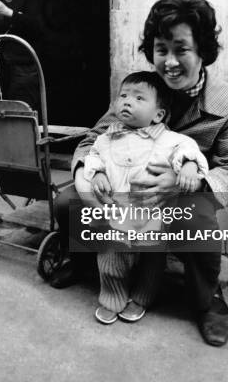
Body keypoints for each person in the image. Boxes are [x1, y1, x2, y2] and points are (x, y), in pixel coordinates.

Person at [52, 0, 228, 347]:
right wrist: (92, 171)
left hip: (182, 198)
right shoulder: (140, 89)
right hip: (124, 192)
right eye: (162, 49)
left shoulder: (226, 103)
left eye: (182, 49)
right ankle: (88, 260)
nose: (171, 62)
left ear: (202, 51)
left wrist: (189, 182)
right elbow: (93, 139)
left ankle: (207, 298)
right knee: (67, 202)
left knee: (195, 218)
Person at [82, 71, 209, 324]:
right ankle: (112, 297)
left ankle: (143, 296)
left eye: (139, 98)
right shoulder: (106, 139)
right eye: (123, 96)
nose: (127, 102)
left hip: (153, 215)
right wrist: (96, 174)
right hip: (116, 214)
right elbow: (93, 155)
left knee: (152, 260)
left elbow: (188, 151)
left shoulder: (171, 139)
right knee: (111, 257)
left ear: (158, 114)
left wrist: (188, 167)